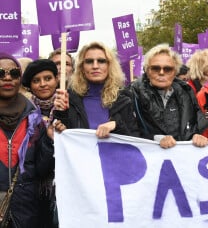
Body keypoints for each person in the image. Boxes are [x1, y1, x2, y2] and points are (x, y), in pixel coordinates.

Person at [0, 53, 56, 228]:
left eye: (14, 73)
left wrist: (48, 140)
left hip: (26, 213)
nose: (8, 77)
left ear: (20, 79)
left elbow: (40, 169)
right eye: (0, 73)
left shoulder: (34, 117)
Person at [128, 43, 208, 149]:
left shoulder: (187, 94)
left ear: (175, 72)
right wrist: (157, 139)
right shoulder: (132, 95)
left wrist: (196, 136)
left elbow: (192, 127)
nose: (161, 72)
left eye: (167, 69)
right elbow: (128, 131)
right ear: (147, 71)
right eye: (155, 68)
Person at [60, 42, 140, 138]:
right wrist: (60, 115)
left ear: (109, 65)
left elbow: (135, 140)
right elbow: (61, 139)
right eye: (89, 61)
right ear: (82, 67)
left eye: (101, 61)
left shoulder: (124, 99)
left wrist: (116, 125)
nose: (95, 66)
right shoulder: (69, 99)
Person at [22, 59, 67, 228]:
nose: (43, 84)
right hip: (38, 191)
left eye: (47, 78)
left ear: (57, 79)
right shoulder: (24, 113)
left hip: (69, 185)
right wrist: (49, 139)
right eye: (36, 80)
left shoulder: (71, 107)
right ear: (30, 86)